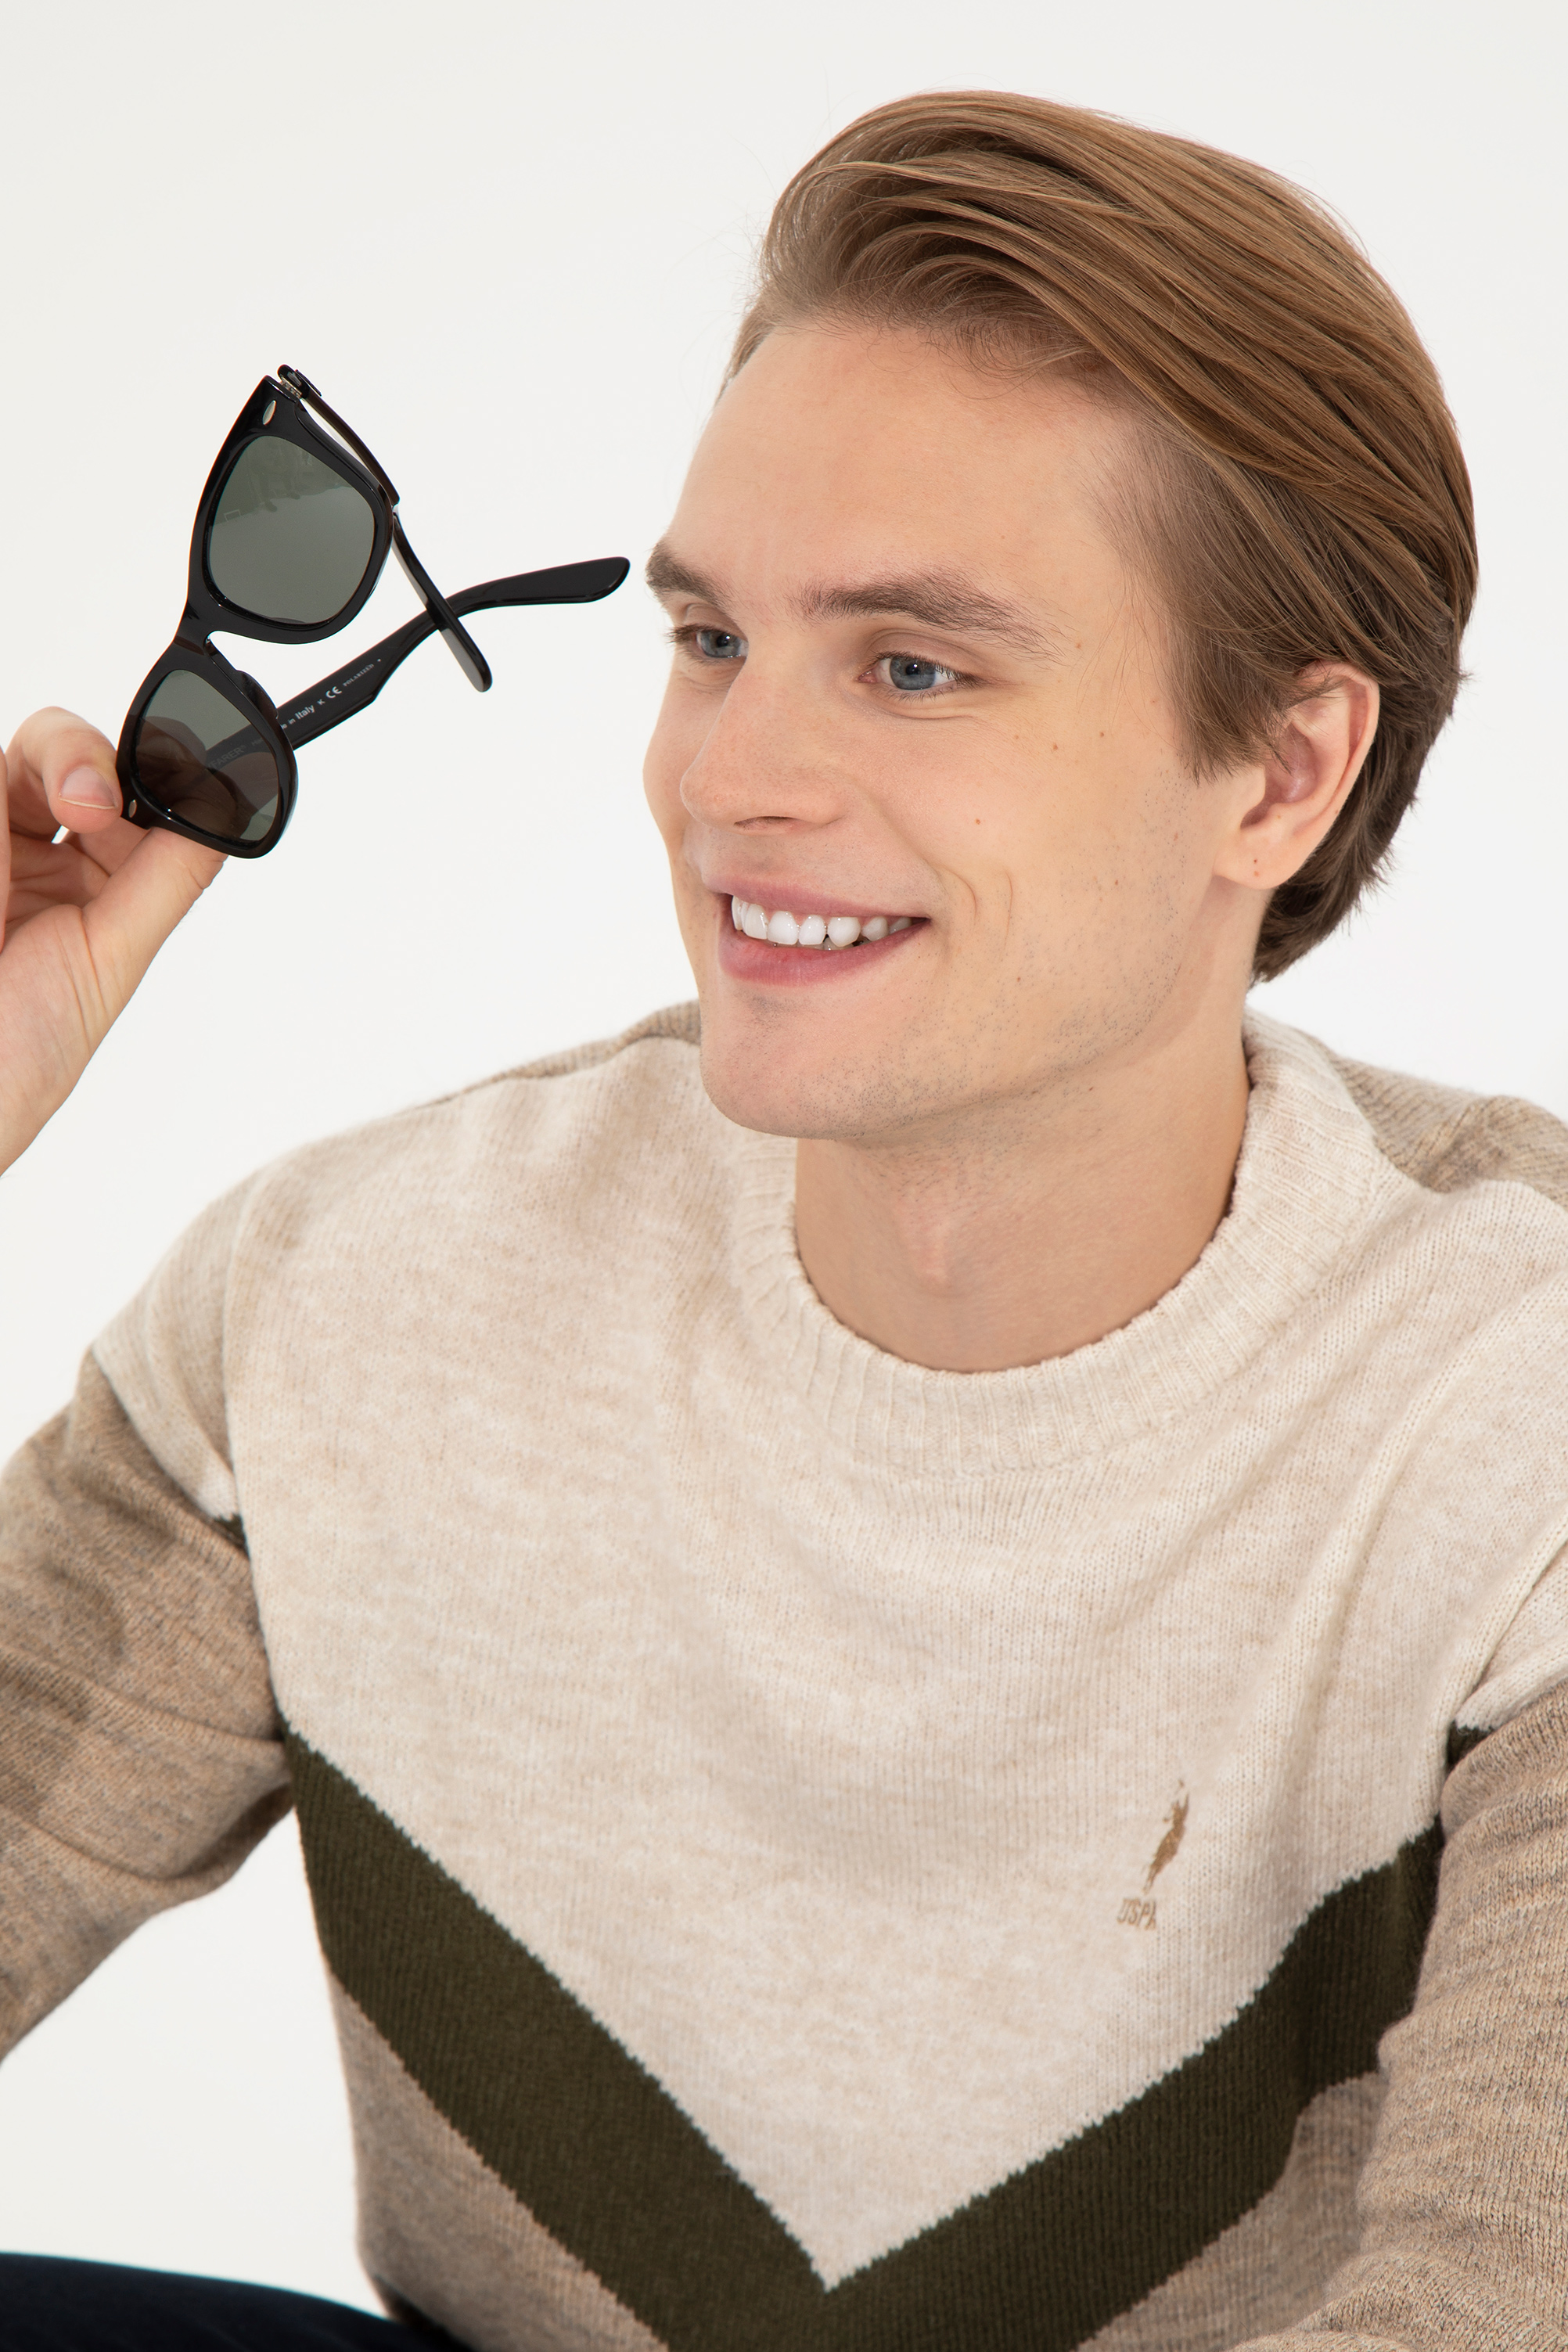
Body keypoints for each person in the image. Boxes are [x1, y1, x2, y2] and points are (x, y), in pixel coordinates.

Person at [2, 88, 1566, 2352]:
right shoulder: (357, 1297)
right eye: (711, 638)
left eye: (914, 666)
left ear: (1281, 769)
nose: (725, 778)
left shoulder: (1511, 1419)